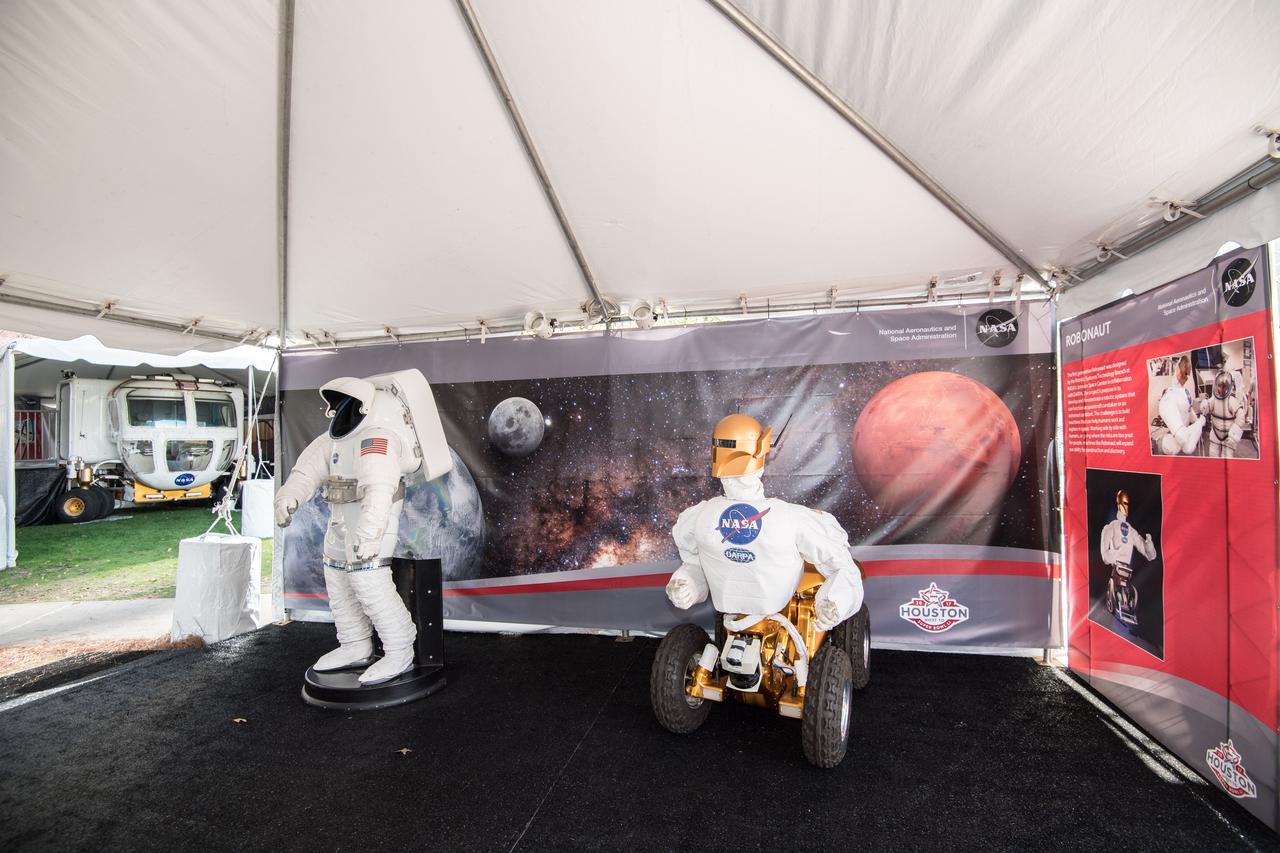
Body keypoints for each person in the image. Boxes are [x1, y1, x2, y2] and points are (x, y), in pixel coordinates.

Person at [274, 370, 451, 685]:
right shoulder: (334, 440)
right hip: (341, 517)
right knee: (338, 578)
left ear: (365, 408)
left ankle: (399, 649)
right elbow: (306, 472)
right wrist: (288, 498)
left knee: (369, 582)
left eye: (348, 405)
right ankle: (354, 644)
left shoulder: (378, 439)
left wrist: (370, 535)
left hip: (373, 519)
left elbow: (380, 488)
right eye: (340, 406)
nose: (341, 412)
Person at [665, 413, 863, 635]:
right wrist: (834, 603)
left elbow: (695, 565)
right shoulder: (790, 518)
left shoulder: (698, 517)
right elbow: (842, 567)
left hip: (728, 610)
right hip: (778, 606)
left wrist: (686, 583)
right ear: (759, 455)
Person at [1099, 489, 1156, 627]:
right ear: (1118, 503)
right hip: (1116, 565)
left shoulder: (1131, 530)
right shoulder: (1111, 527)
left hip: (1127, 568)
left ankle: (1127, 606)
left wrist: (1148, 543)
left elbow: (1149, 554)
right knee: (1117, 584)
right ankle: (1115, 600)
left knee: (1128, 589)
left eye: (1127, 503)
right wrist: (1113, 555)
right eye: (1123, 503)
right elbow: (1104, 552)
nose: (1125, 507)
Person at [1157, 355, 1205, 455]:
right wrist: (1200, 422)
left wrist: (1199, 423)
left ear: (1177, 370)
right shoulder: (1185, 393)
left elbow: (1185, 443)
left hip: (1175, 446)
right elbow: (1191, 415)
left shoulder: (1168, 398)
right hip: (1181, 441)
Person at [1201, 369, 1247, 458]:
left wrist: (1234, 434)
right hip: (1215, 433)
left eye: (1224, 387)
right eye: (1219, 386)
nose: (1220, 389)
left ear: (1228, 388)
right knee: (1213, 455)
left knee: (1227, 457)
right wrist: (1204, 405)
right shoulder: (1214, 399)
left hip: (1228, 435)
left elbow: (1240, 417)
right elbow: (1206, 409)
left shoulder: (1231, 401)